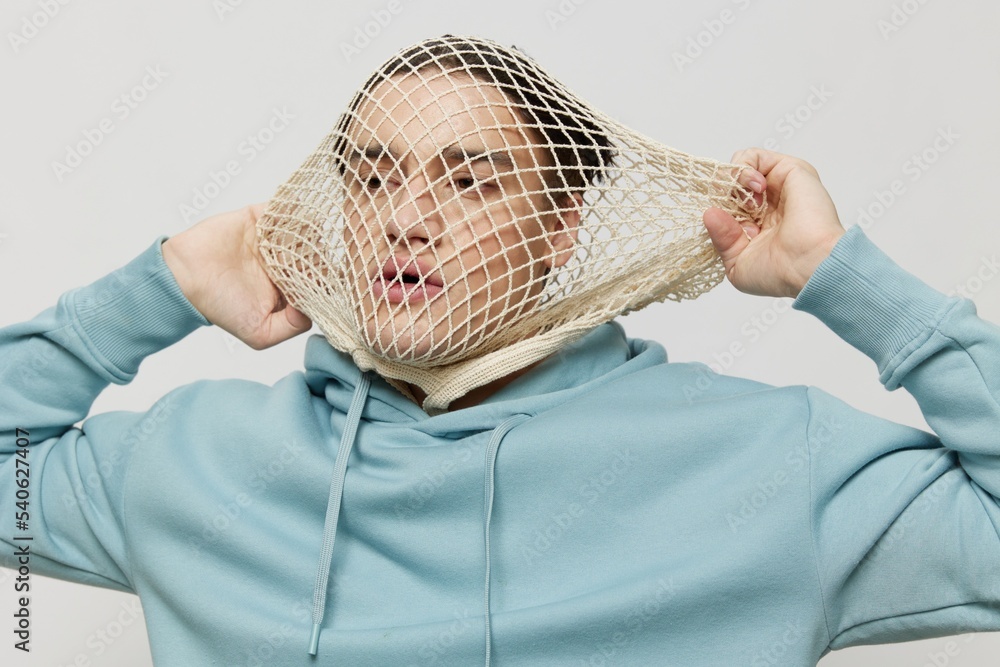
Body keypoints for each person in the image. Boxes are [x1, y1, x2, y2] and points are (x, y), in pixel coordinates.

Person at [2, 35, 999, 667]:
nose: (408, 219)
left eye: (470, 181)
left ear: (563, 228)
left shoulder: (774, 468)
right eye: (373, 176)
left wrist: (843, 275)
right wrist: (157, 286)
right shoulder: (197, 462)